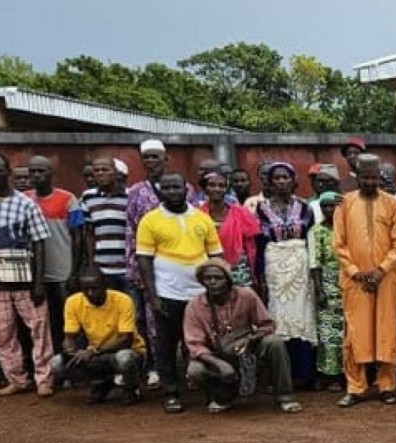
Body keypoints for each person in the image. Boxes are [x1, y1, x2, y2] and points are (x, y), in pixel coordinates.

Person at [135, 172, 223, 414]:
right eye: (167, 187)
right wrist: (153, 297)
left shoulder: (201, 219)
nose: (172, 191)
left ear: (186, 189)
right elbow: (143, 261)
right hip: (167, 294)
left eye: (176, 186)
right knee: (166, 345)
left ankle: (210, 390)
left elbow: (215, 256)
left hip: (200, 295)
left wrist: (216, 290)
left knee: (205, 342)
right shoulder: (150, 220)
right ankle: (171, 393)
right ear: (160, 191)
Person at [0, 153, 53, 396]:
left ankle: (44, 379)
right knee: (1, 334)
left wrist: (38, 283)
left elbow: (39, 243)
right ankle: (17, 378)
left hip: (24, 280)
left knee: (39, 329)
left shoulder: (25, 204)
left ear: (8, 173)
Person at [333, 155, 396, 407]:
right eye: (365, 178)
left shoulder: (392, 204)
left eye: (374, 178)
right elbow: (339, 244)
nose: (370, 182)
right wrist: (356, 271)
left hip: (386, 279)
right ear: (358, 177)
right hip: (355, 280)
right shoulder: (345, 204)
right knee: (356, 332)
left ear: (380, 178)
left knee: (387, 331)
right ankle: (355, 387)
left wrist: (381, 270)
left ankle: (387, 385)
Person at [183, 258, 303, 414]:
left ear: (228, 280)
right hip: (216, 354)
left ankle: (285, 396)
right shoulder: (194, 306)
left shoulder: (246, 296)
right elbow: (195, 345)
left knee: (275, 342)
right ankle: (222, 397)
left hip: (247, 347)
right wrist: (220, 364)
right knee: (195, 370)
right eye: (207, 278)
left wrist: (250, 339)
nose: (212, 282)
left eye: (218, 278)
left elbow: (267, 325)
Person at [251, 161, 319, 387]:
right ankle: (282, 374)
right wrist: (259, 273)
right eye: (276, 178)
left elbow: (311, 240)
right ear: (269, 182)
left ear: (293, 181)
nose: (281, 182)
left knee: (302, 315)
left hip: (300, 266)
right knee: (278, 316)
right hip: (275, 266)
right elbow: (259, 244)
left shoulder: (305, 208)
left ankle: (304, 374)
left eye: (285, 178)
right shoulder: (260, 209)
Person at [125, 139, 180, 391]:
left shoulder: (182, 186)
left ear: (165, 159)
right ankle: (157, 368)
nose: (151, 162)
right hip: (149, 268)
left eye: (155, 157)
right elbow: (131, 232)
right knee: (150, 319)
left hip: (179, 266)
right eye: (146, 157)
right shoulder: (136, 192)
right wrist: (135, 268)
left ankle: (185, 366)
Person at [48, 267, 145, 405]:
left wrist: (93, 351)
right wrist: (70, 349)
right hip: (95, 353)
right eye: (86, 289)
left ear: (105, 285)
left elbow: (126, 339)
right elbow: (69, 336)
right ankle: (101, 383)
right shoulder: (73, 302)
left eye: (95, 288)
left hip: (123, 351)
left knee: (125, 358)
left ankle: (131, 388)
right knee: (56, 363)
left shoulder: (123, 300)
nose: (91, 293)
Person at [25, 156, 84, 356]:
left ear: (51, 173)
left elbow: (78, 238)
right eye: (32, 171)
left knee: (67, 321)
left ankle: (71, 361)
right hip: (34, 275)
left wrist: (74, 271)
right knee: (42, 323)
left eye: (41, 171)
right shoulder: (24, 199)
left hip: (62, 272)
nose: (36, 175)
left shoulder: (68, 199)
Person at [309, 192, 344, 391]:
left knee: (348, 331)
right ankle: (331, 375)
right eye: (326, 207)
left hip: (349, 283)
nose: (331, 210)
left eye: (334, 206)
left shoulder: (347, 229)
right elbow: (315, 263)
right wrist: (320, 289)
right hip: (327, 283)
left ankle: (350, 372)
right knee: (329, 333)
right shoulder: (317, 231)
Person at [200, 171, 260, 288]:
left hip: (239, 269)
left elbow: (252, 244)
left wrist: (254, 272)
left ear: (227, 189)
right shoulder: (198, 214)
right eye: (212, 185)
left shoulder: (241, 212)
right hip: (209, 270)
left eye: (221, 186)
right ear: (205, 189)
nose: (217, 189)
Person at [81, 158, 132, 290]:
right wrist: (92, 264)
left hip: (127, 267)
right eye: (96, 170)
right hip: (101, 267)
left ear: (115, 172)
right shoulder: (88, 197)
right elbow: (89, 233)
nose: (100, 173)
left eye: (105, 170)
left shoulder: (131, 195)